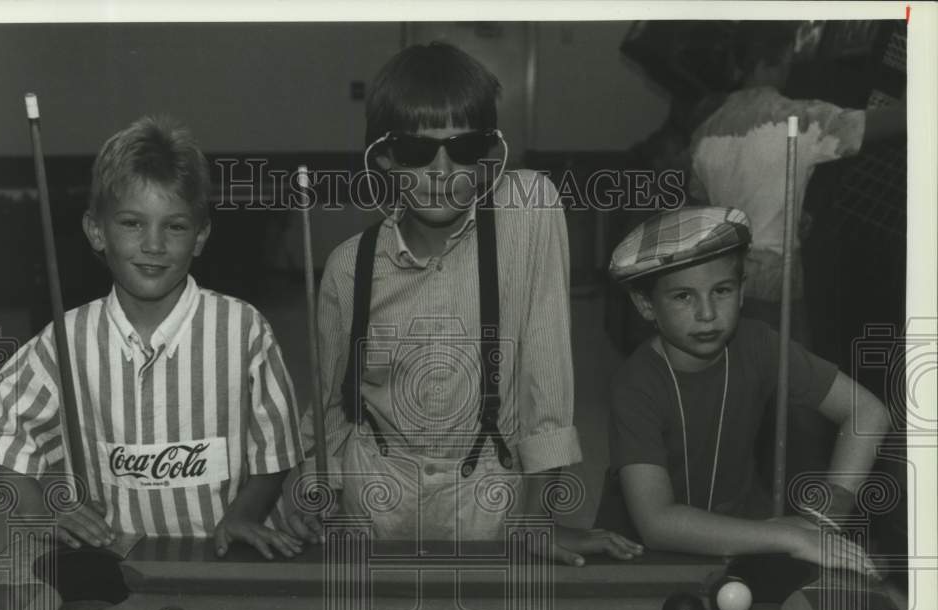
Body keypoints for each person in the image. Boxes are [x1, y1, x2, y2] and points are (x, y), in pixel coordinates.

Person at [287, 42, 641, 565]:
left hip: (488, 509)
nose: (441, 169)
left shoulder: (529, 211)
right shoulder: (348, 266)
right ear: (383, 157)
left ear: (487, 157)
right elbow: (336, 402)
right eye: (415, 151)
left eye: (464, 148)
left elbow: (547, 376)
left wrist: (539, 516)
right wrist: (314, 484)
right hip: (374, 511)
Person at [0, 116, 305, 559]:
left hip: (225, 558)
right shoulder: (67, 340)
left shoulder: (244, 330)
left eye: (175, 227)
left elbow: (274, 451)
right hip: (116, 563)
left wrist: (246, 514)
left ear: (200, 236)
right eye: (132, 224)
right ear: (96, 231)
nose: (154, 245)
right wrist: (37, 514)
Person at [594, 206, 890, 573]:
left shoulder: (759, 344)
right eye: (683, 296)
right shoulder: (635, 384)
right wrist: (792, 537)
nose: (707, 313)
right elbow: (657, 523)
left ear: (742, 291)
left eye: (721, 290)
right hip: (635, 562)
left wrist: (824, 521)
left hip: (740, 543)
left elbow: (867, 412)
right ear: (645, 304)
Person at [689, 21, 906, 344]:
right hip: (774, 284)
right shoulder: (799, 119)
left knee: (739, 377)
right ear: (774, 61)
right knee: (790, 384)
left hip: (721, 280)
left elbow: (702, 202)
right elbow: (894, 122)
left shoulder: (704, 130)